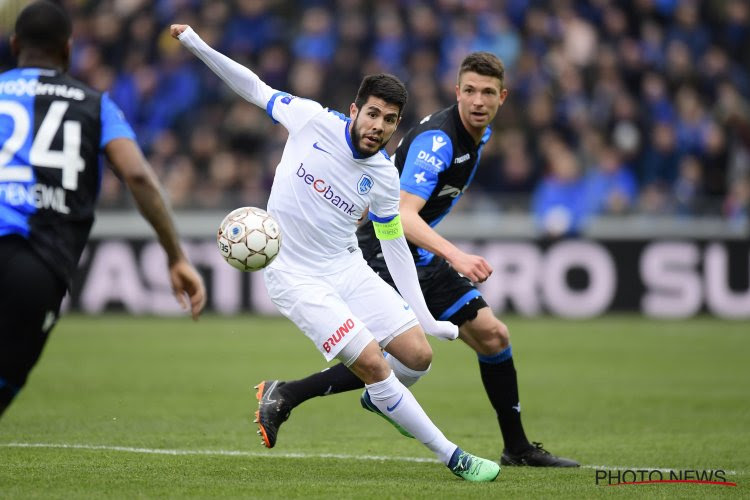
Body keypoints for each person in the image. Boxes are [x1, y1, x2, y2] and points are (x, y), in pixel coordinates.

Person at [172, 24, 501, 482]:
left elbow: (394, 246)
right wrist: (196, 44)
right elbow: (253, 87)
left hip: (346, 265)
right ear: (354, 110)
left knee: (417, 356)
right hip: (293, 274)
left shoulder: (385, 177)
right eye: (372, 115)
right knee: (370, 363)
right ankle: (452, 456)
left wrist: (424, 316)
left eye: (389, 120)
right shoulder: (310, 120)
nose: (378, 127)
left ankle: (380, 399)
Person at [255, 52, 580, 467]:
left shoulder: (478, 135)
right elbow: (402, 215)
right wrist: (456, 254)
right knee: (389, 356)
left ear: (503, 96)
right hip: (386, 251)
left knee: (492, 337)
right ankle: (299, 394)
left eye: (487, 93)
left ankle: (515, 447)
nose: (478, 101)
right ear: (456, 92)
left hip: (420, 254)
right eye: (469, 91)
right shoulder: (438, 142)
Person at [0, 1, 206, 418]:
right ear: (69, 49)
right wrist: (176, 256)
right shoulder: (94, 104)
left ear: (15, 43)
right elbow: (139, 177)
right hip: (36, 264)